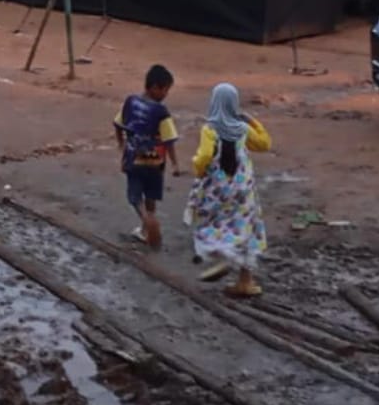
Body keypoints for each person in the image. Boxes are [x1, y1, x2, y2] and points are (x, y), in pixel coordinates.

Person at [185, 83, 272, 297]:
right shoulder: (242, 128)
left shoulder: (209, 129)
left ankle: (224, 256)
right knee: (246, 228)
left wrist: (197, 167)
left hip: (218, 188)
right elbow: (264, 144)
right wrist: (252, 120)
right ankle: (245, 280)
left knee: (213, 221)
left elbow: (205, 156)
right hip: (243, 188)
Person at [114, 64, 181, 250]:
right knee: (151, 191)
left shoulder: (130, 102)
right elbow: (169, 140)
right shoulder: (161, 111)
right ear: (155, 87)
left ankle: (145, 222)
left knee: (135, 194)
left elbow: (118, 124)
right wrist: (175, 164)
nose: (167, 94)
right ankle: (150, 221)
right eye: (166, 89)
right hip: (155, 159)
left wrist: (121, 145)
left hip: (133, 155)